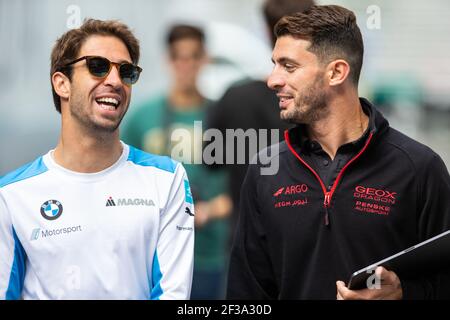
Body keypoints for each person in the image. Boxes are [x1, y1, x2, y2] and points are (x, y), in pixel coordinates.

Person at [227, 5, 450, 300]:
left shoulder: (419, 169)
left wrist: (403, 294)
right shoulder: (266, 171)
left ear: (336, 72)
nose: (273, 80)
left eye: (288, 66)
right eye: (274, 64)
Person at [0, 19, 194, 300]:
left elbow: (173, 296)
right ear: (62, 83)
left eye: (126, 72)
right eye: (97, 66)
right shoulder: (12, 196)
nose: (115, 81)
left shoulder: (167, 179)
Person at [122, 24, 231, 299]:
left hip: (209, 254)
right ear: (168, 60)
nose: (186, 65)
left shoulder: (224, 116)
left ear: (204, 59)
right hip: (155, 256)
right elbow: (121, 183)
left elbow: (243, 189)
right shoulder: (142, 118)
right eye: (178, 57)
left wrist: (208, 212)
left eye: (193, 56)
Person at [205, 0, 315, 241]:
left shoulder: (234, 97)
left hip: (246, 240)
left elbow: (210, 160)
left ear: (267, 32)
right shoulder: (322, 105)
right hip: (309, 242)